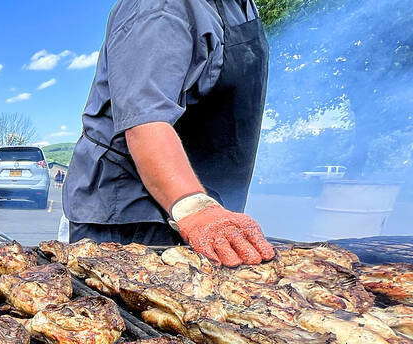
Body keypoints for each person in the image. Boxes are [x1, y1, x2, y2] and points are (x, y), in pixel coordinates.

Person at [61, 0, 276, 267]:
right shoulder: (160, 7)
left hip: (204, 202)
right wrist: (195, 208)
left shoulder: (241, 6)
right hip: (134, 214)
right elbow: (145, 122)